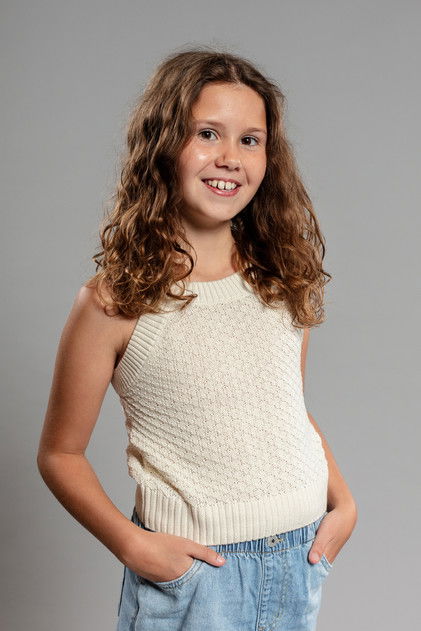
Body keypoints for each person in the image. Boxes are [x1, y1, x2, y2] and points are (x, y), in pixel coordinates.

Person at [37, 47, 358, 631]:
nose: (229, 157)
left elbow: (288, 409)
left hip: (300, 559)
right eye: (207, 133)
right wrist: (134, 546)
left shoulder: (279, 281)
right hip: (195, 580)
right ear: (163, 145)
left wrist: (344, 503)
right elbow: (60, 454)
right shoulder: (115, 300)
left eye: (250, 140)